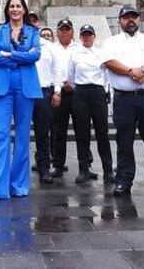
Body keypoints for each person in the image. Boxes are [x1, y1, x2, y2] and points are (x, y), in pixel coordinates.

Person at [0, 0, 42, 201]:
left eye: (18, 6)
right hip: (4, 86)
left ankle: (19, 185)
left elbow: (36, 55)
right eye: (12, 6)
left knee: (22, 137)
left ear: (24, 10)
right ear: (7, 10)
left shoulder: (32, 32)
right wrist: (21, 57)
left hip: (26, 87)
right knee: (0, 136)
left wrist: (11, 55)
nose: (15, 9)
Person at [101, 6, 144, 197]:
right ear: (119, 21)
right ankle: (123, 181)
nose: (130, 21)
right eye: (126, 18)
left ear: (139, 20)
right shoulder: (111, 42)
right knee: (124, 141)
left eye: (134, 17)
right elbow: (109, 62)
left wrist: (142, 69)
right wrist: (131, 72)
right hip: (124, 99)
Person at [67, 24, 112, 184]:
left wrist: (105, 90)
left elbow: (106, 74)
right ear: (80, 37)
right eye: (84, 34)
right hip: (81, 93)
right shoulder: (74, 54)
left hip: (98, 93)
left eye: (90, 34)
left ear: (94, 36)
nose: (87, 37)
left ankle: (108, 170)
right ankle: (83, 169)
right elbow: (70, 76)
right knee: (82, 133)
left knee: (103, 133)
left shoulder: (101, 53)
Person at [32, 17, 65, 185]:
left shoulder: (49, 46)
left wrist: (57, 91)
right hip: (23, 93)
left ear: (38, 24)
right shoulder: (16, 43)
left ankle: (44, 169)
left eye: (34, 21)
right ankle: (19, 170)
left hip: (43, 92)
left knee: (43, 134)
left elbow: (57, 69)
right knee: (22, 133)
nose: (31, 23)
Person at [50, 19, 80, 178]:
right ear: (57, 32)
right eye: (62, 29)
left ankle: (85, 165)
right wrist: (57, 90)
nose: (64, 32)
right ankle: (58, 165)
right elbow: (53, 71)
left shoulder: (79, 48)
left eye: (67, 29)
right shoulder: (51, 48)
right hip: (59, 93)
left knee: (81, 130)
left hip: (76, 92)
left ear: (72, 32)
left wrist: (73, 85)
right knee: (58, 130)